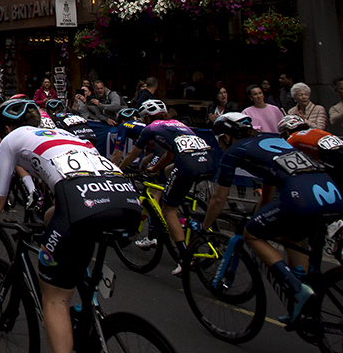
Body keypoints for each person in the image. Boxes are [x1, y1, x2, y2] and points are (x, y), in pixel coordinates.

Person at [0, 98, 140, 353]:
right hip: (126, 198)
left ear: (5, 128)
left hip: (82, 201)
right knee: (52, 218)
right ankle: (87, 299)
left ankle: (67, 296)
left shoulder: (11, 140)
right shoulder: (60, 133)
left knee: (54, 298)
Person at [201, 113, 343, 324]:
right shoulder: (273, 139)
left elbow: (218, 198)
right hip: (332, 192)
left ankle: (297, 289)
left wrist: (205, 229)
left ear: (227, 137)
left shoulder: (234, 151)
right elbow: (266, 196)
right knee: (290, 235)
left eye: (220, 139)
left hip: (301, 197)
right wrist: (259, 216)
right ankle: (301, 297)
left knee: (251, 234)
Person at [119, 99, 216, 274]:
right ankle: (186, 218)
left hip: (187, 163)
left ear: (148, 117)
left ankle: (184, 257)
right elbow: (171, 153)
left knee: (168, 209)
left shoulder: (151, 128)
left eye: (144, 118)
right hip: (208, 161)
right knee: (169, 175)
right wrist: (155, 169)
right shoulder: (178, 124)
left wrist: (118, 170)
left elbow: (134, 154)